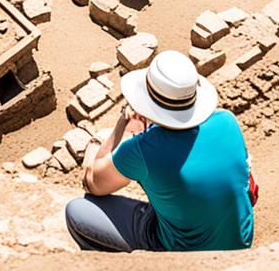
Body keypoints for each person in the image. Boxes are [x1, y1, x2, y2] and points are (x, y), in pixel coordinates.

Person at [66, 51, 254, 253]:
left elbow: (93, 183)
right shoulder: (227, 120)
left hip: (186, 252)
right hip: (239, 241)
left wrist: (121, 124)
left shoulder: (142, 149)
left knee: (76, 211)